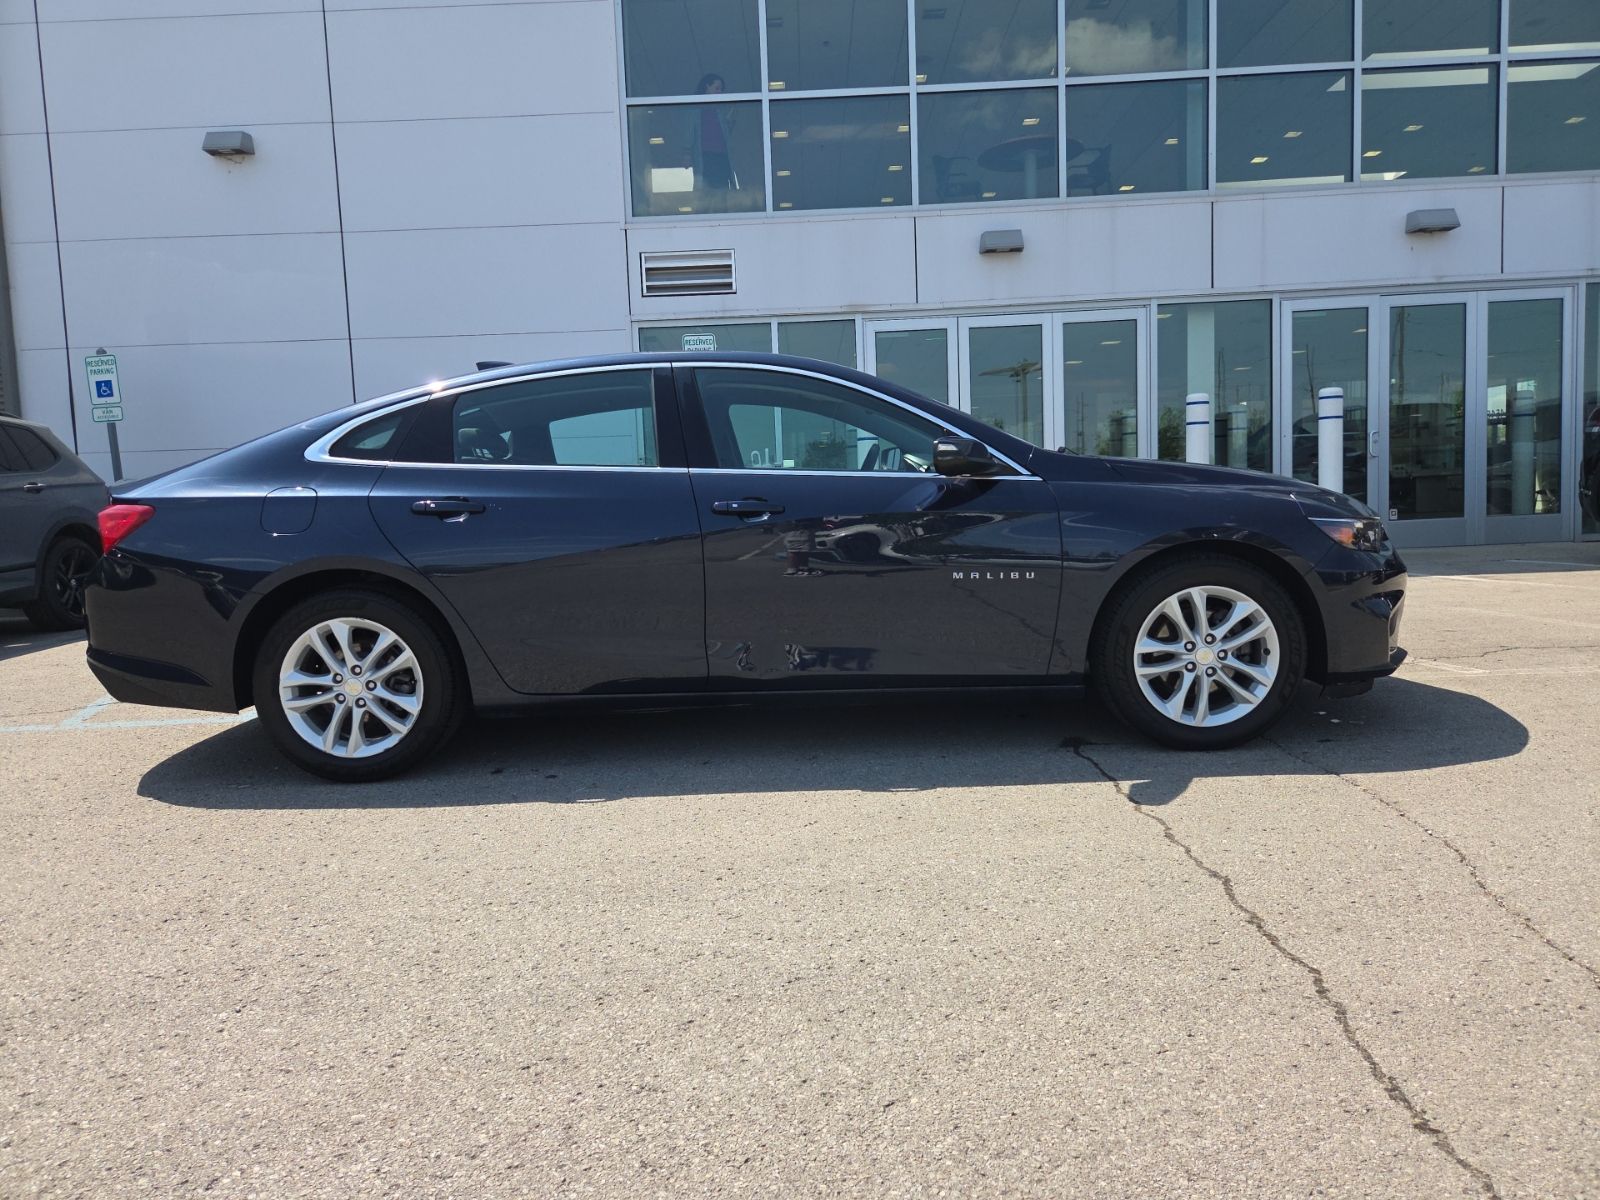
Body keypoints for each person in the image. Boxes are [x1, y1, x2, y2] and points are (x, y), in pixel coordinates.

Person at [690, 73, 739, 208]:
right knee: (707, 191)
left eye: (721, 89)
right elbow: (689, 132)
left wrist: (732, 113)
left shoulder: (720, 110)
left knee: (723, 191)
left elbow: (726, 133)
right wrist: (686, 153)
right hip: (706, 157)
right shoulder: (695, 109)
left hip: (722, 156)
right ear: (707, 86)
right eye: (717, 88)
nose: (720, 92)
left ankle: (721, 214)